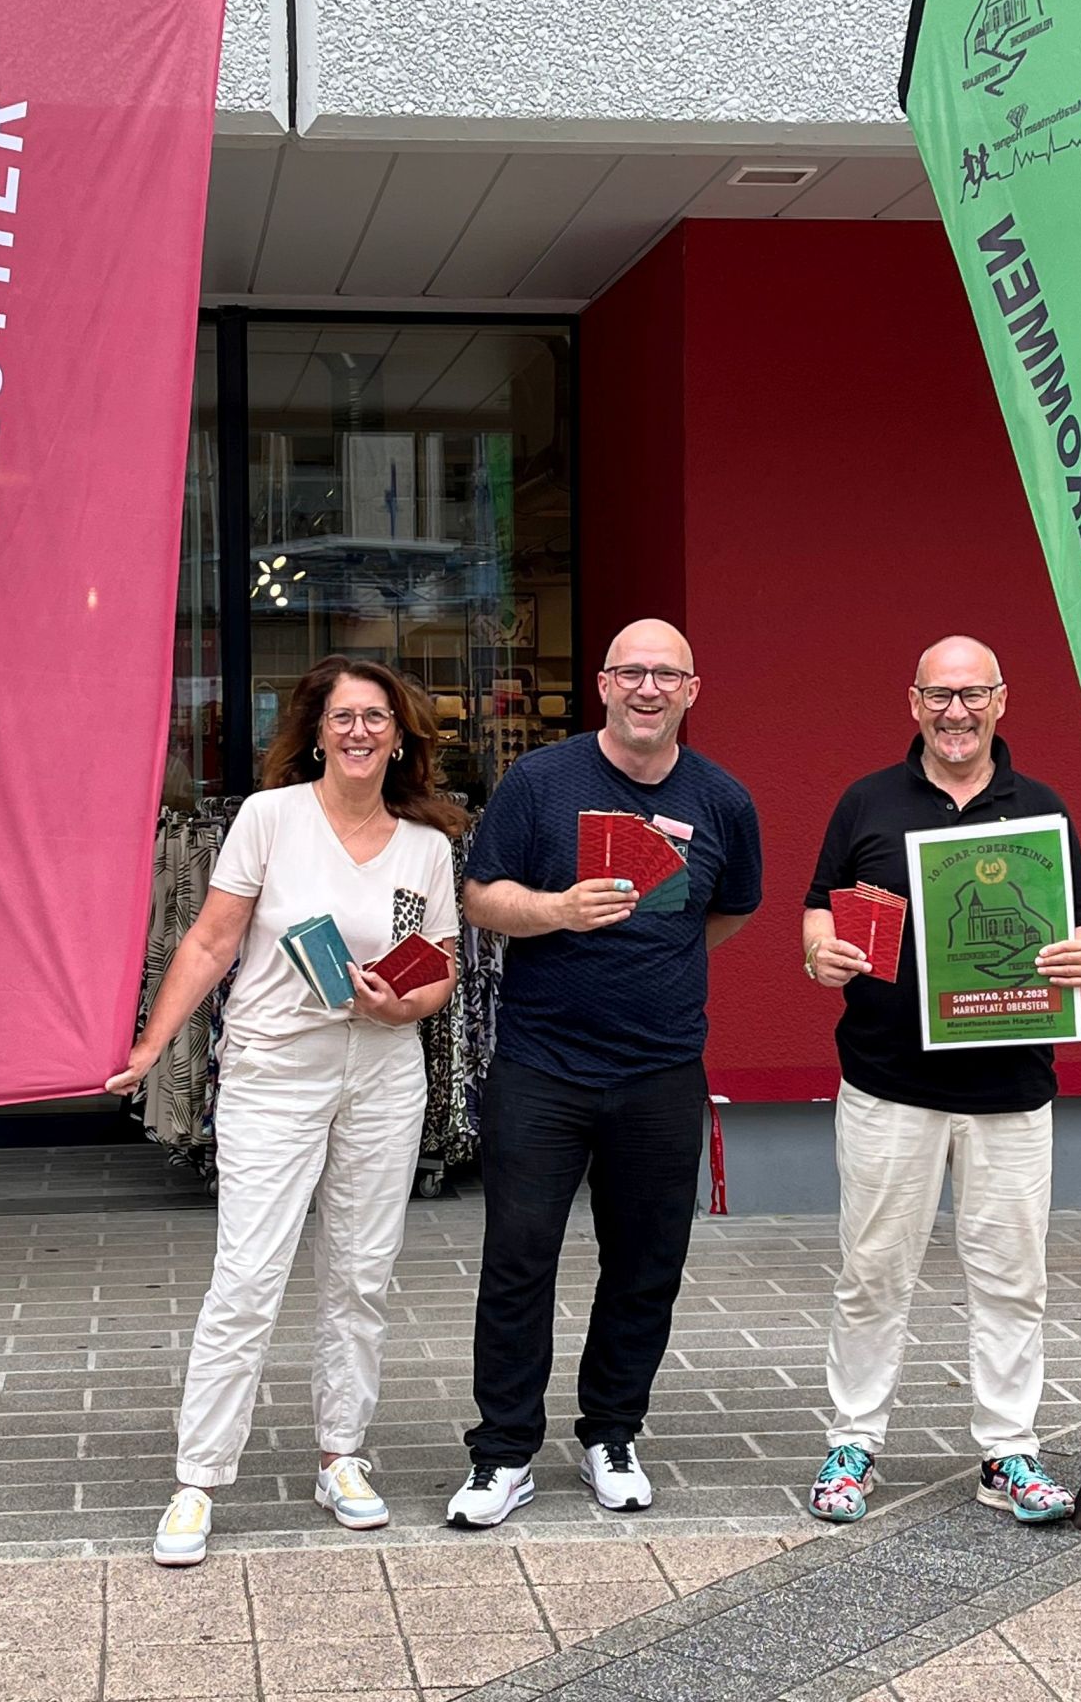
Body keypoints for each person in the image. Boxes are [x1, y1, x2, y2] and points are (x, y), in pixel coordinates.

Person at [107, 657, 463, 1566]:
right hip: (275, 1071)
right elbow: (210, 939)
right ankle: (198, 1478)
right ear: (315, 730)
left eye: (375, 718)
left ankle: (341, 1455)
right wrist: (149, 1049)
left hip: (384, 1074)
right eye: (343, 717)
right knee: (248, 1276)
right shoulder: (270, 820)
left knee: (362, 1275)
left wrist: (403, 1005)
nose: (358, 732)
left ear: (398, 736)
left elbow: (442, 970)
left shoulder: (425, 843)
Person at [446, 618, 762, 1528]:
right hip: (542, 1065)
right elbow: (479, 896)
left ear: (693, 691)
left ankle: (611, 1432)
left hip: (662, 1069)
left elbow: (729, 910)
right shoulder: (541, 782)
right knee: (517, 1258)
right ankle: (503, 1451)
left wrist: (653, 954)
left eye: (667, 675)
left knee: (646, 1262)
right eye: (632, 673)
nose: (649, 689)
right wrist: (558, 911)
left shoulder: (724, 801)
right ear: (603, 684)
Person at [802, 636, 1081, 1527]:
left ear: (1002, 702)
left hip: (1012, 1091)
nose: (957, 712)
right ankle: (853, 1439)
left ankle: (1008, 1451)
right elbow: (818, 906)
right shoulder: (867, 802)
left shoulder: (1040, 810)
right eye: (940, 696)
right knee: (871, 1271)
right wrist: (818, 949)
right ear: (913, 703)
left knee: (1014, 1278)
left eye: (973, 696)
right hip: (887, 1085)